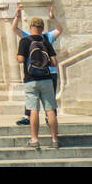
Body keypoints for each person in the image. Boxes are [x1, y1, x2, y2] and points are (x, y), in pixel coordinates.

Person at [12, 4, 62, 126]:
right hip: (50, 72)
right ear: (43, 27)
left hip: (32, 73)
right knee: (50, 99)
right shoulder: (47, 37)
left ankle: (27, 117)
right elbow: (60, 29)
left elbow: (14, 29)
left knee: (31, 98)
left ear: (30, 27)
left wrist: (17, 15)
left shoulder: (27, 38)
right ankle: (50, 119)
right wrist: (52, 17)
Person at [17, 16, 59, 149]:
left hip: (31, 80)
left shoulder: (24, 41)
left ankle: (34, 140)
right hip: (46, 79)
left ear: (31, 27)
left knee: (33, 110)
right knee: (50, 109)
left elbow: (20, 59)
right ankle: (54, 140)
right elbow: (54, 63)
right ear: (42, 29)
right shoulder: (46, 42)